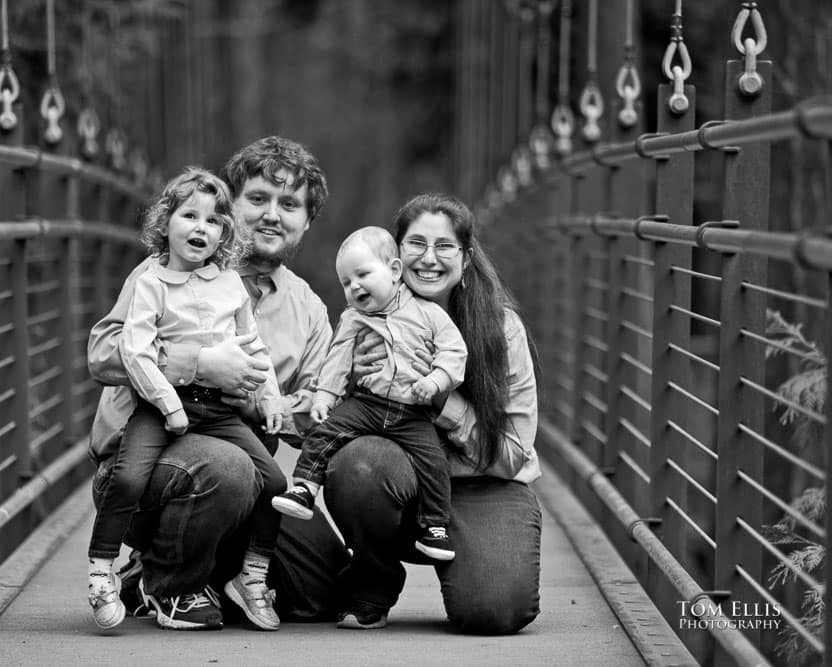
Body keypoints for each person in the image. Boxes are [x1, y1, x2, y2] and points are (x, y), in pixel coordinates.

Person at [86, 136, 339, 631]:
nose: (272, 215)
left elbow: (308, 420)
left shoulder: (309, 310)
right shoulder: (168, 268)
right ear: (229, 208)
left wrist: (280, 403)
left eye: (289, 205)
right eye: (258, 199)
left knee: (321, 588)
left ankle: (201, 570)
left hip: (237, 459)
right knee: (228, 468)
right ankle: (170, 583)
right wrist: (196, 363)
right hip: (143, 465)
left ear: (307, 222)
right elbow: (101, 354)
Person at [319, 193, 542, 631]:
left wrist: (442, 401)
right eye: (415, 244)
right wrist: (350, 386)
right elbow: (331, 424)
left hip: (483, 483)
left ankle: (471, 558)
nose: (429, 258)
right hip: (400, 482)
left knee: (496, 609)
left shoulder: (501, 329)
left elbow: (513, 453)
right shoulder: (362, 321)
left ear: (466, 257)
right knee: (359, 466)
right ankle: (373, 579)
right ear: (395, 258)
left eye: (444, 246)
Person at [272, 226, 467, 562]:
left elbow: (454, 354)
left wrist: (435, 381)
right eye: (346, 282)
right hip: (368, 404)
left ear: (393, 271)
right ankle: (305, 487)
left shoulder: (429, 314)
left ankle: (434, 526)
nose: (355, 286)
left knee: (433, 461)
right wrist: (324, 397)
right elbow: (338, 359)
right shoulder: (353, 319)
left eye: (363, 274)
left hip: (412, 411)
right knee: (327, 431)